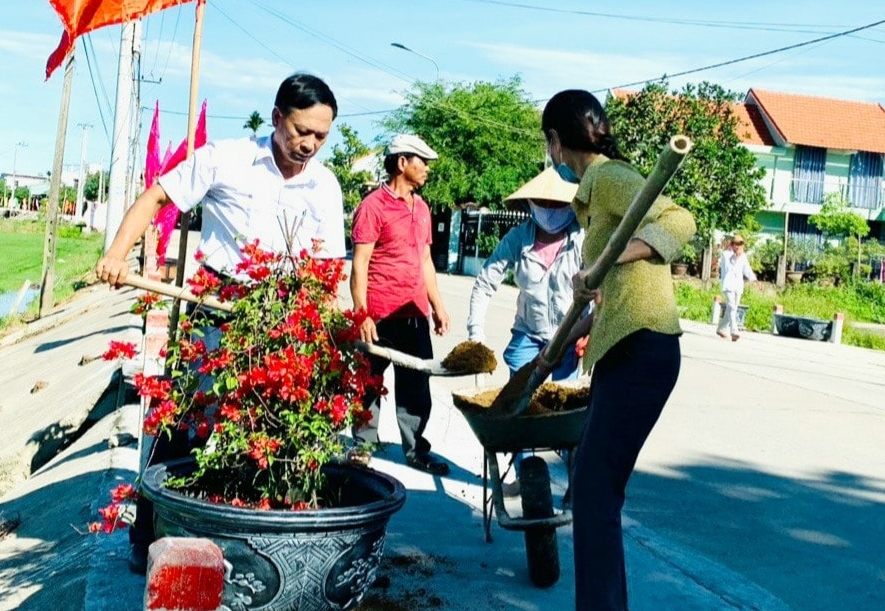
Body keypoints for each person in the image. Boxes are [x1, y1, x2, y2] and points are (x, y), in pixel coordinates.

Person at [95, 71, 346, 573]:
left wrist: (327, 324)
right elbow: (157, 198)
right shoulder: (227, 158)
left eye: (321, 136)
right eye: (301, 131)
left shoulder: (325, 183)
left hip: (285, 312)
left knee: (273, 427)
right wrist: (117, 255)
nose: (309, 145)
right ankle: (149, 540)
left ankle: (249, 540)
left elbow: (329, 266)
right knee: (185, 417)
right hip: (219, 303)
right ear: (277, 118)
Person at [536, 90, 695, 611]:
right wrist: (583, 319)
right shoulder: (595, 191)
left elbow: (680, 219)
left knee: (596, 491)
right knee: (591, 487)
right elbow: (612, 290)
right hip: (624, 346)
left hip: (644, 350)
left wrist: (618, 252)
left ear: (556, 139)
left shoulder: (608, 177)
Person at [350, 134, 452, 476]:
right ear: (401, 162)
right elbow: (360, 263)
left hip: (414, 316)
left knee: (416, 387)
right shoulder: (373, 206)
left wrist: (437, 306)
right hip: (379, 316)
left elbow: (425, 261)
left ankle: (416, 449)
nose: (426, 169)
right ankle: (362, 446)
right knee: (369, 383)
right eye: (421, 162)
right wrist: (362, 313)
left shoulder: (421, 207)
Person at [466, 166, 585, 380]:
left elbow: (598, 289)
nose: (549, 209)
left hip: (570, 336)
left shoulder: (582, 240)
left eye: (558, 204)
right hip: (528, 334)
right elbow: (485, 283)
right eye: (542, 203)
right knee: (519, 397)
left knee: (561, 401)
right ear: (530, 203)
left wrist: (589, 332)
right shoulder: (517, 238)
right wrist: (476, 332)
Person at [717, 233, 755, 341]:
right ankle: (734, 331)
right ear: (732, 244)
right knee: (732, 307)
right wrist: (736, 256)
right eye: (736, 244)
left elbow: (747, 270)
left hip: (738, 285)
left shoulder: (743, 256)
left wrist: (755, 280)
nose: (738, 246)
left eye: (740, 244)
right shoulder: (726, 254)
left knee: (732, 308)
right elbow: (728, 266)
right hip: (728, 284)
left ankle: (721, 328)